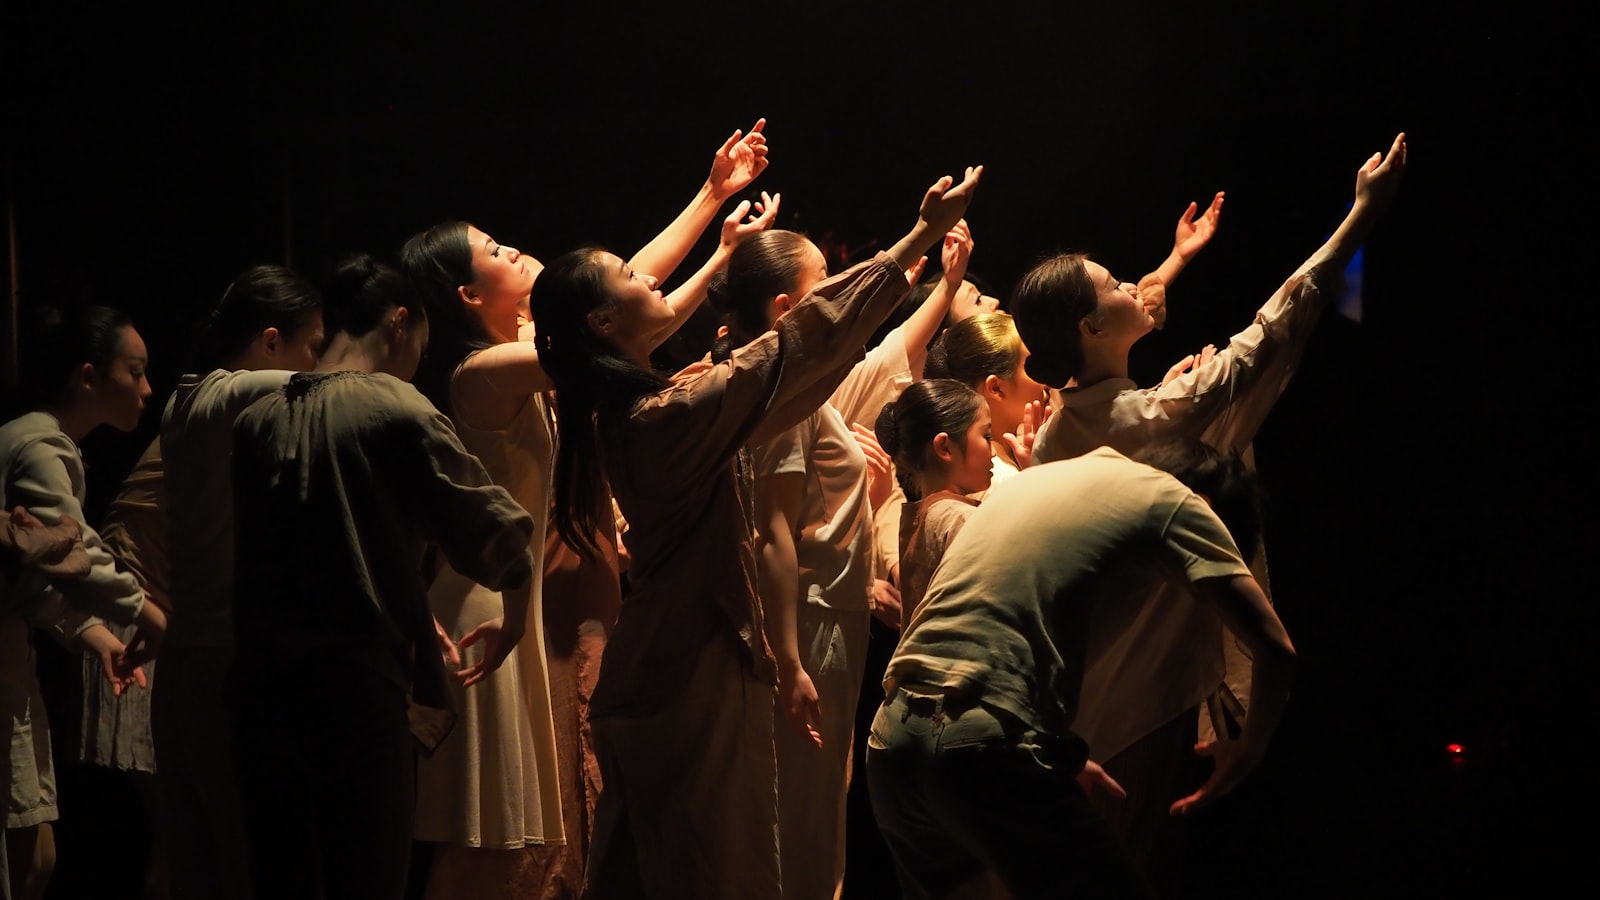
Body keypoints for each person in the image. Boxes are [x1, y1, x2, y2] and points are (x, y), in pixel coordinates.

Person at [530, 164, 981, 899]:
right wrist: (919, 235)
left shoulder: (649, 409)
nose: (654, 283)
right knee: (711, 874)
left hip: (666, 670)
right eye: (632, 278)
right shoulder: (667, 417)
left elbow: (801, 358)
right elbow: (797, 344)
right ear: (603, 324)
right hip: (681, 677)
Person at [1008, 135, 1406, 887]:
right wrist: (1360, 215)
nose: (1137, 285)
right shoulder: (1149, 414)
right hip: (1136, 704)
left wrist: (1179, 258)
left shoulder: (1068, 421)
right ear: (1091, 331)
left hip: (1079, 701)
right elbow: (1277, 325)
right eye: (1116, 282)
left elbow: (1137, 312)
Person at [401, 120, 773, 899]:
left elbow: (624, 297)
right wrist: (720, 254)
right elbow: (627, 314)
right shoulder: (482, 373)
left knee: (512, 839)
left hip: (516, 603)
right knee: (482, 839)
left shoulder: (533, 345)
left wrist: (711, 201)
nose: (516, 252)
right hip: (480, 607)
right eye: (497, 254)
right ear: (468, 296)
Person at [227, 254, 537, 900]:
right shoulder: (395, 406)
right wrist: (515, 612)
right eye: (421, 340)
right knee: (365, 873)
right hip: (356, 685)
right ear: (399, 324)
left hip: (259, 686)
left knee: (284, 875)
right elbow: (495, 525)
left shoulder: (257, 419)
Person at [866, 440, 1296, 900]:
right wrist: (1247, 751)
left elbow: (987, 640)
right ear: (1208, 510)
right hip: (983, 745)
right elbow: (1275, 648)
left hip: (893, 744)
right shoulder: (1178, 503)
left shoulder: (1037, 481)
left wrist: (1054, 755)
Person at [154, 263, 324, 900]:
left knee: (200, 857)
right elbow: (332, 384)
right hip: (228, 659)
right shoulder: (234, 393)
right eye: (310, 341)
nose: (314, 357)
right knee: (247, 857)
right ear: (272, 340)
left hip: (185, 657)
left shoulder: (182, 398)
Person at [0, 306, 163, 900]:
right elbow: (77, 552)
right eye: (136, 371)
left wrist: (92, 633)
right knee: (25, 860)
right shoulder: (40, 441)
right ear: (89, 376)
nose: (147, 389)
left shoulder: (37, 439)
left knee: (35, 857)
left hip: (17, 663)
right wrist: (148, 613)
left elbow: (32, 577)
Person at [872, 379, 990, 626]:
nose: (994, 450)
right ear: (944, 447)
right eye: (986, 435)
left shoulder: (924, 515)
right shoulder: (957, 519)